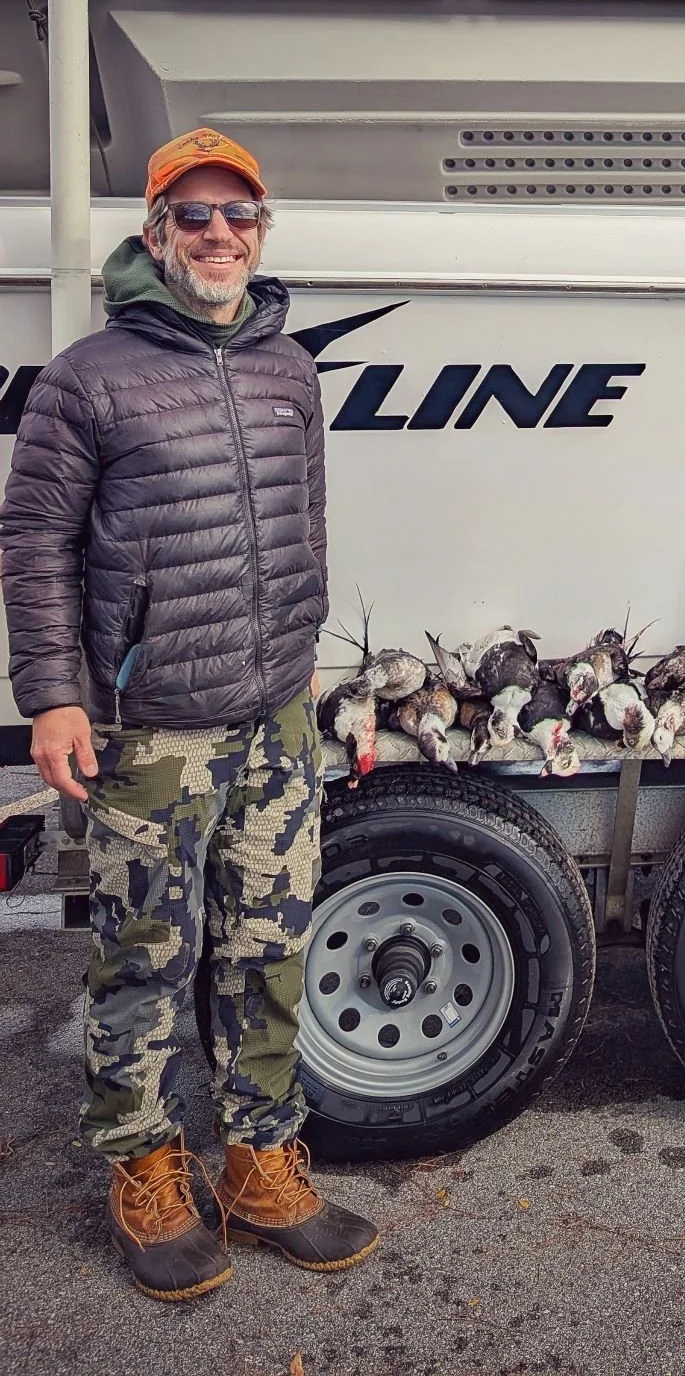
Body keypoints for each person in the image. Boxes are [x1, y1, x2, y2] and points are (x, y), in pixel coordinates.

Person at [0, 127, 378, 1300]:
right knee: (145, 959)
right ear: (156, 234)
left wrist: (302, 650)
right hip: (153, 730)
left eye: (240, 215)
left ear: (262, 233)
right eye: (194, 215)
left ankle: (261, 1163)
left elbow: (305, 515)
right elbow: (35, 541)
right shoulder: (90, 377)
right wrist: (54, 697)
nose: (220, 235)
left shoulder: (288, 369)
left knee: (269, 951)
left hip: (275, 720)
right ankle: (145, 1167)